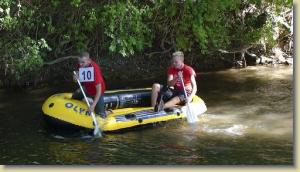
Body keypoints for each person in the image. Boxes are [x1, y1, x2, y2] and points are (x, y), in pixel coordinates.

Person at [72, 51, 107, 118]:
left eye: (82, 62)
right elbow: (76, 76)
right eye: (79, 62)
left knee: (101, 115)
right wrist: (75, 78)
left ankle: (102, 109)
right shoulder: (80, 64)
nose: (80, 64)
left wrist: (93, 106)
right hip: (87, 88)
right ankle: (89, 100)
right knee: (74, 97)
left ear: (89, 61)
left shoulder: (95, 69)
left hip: (97, 92)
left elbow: (99, 90)